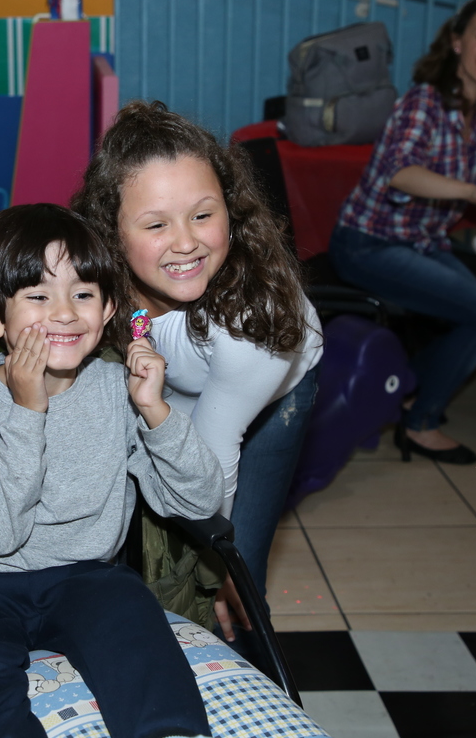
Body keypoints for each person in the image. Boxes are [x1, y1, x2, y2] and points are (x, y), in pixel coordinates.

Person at [0, 203, 243, 738]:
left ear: (108, 308)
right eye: (38, 296)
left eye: (83, 294)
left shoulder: (117, 391)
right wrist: (27, 412)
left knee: (134, 616)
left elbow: (198, 502)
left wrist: (155, 410)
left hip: (88, 576)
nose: (64, 312)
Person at [72, 100, 323, 635]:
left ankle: (253, 669)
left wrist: (215, 562)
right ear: (112, 233)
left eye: (203, 215)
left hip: (270, 390)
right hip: (184, 377)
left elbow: (211, 465)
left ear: (230, 209)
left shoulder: (250, 325)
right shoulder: (100, 274)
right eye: (156, 224)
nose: (186, 242)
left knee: (234, 576)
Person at [328, 0, 476, 464]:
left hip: (421, 243)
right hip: (369, 245)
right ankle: (420, 423)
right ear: (457, 41)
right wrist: (473, 194)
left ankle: (401, 387)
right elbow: (400, 173)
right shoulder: (425, 102)